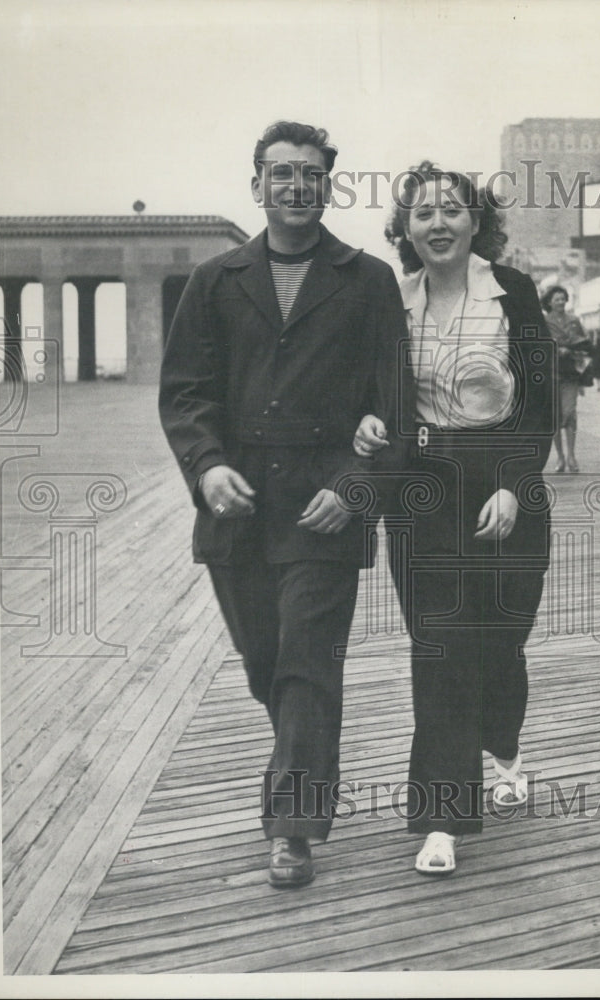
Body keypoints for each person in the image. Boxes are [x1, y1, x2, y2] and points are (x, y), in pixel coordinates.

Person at [159, 121, 406, 889]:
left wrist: (355, 492)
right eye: (281, 173)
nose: (295, 185)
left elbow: (395, 405)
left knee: (305, 662)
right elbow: (184, 395)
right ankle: (301, 775)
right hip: (238, 511)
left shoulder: (367, 281)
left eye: (310, 173)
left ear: (327, 185)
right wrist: (205, 469)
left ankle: (292, 828)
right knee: (266, 662)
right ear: (257, 184)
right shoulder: (214, 281)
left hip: (325, 509)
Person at [353, 162, 555, 876]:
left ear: (476, 221)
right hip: (422, 488)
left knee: (498, 643)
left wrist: (512, 482)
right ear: (404, 230)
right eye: (421, 214)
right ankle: (441, 818)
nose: (436, 224)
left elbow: (539, 406)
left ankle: (504, 746)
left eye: (450, 211)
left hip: (506, 484)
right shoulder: (389, 299)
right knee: (439, 644)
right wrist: (371, 421)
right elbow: (367, 388)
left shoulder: (514, 295)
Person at [540, 285, 590, 473]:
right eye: (557, 299)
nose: (561, 302)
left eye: (563, 298)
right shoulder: (543, 321)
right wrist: (554, 348)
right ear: (549, 302)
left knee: (569, 412)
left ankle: (572, 455)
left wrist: (573, 349)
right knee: (554, 417)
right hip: (550, 372)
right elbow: (538, 344)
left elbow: (585, 343)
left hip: (570, 372)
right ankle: (560, 457)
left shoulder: (574, 320)